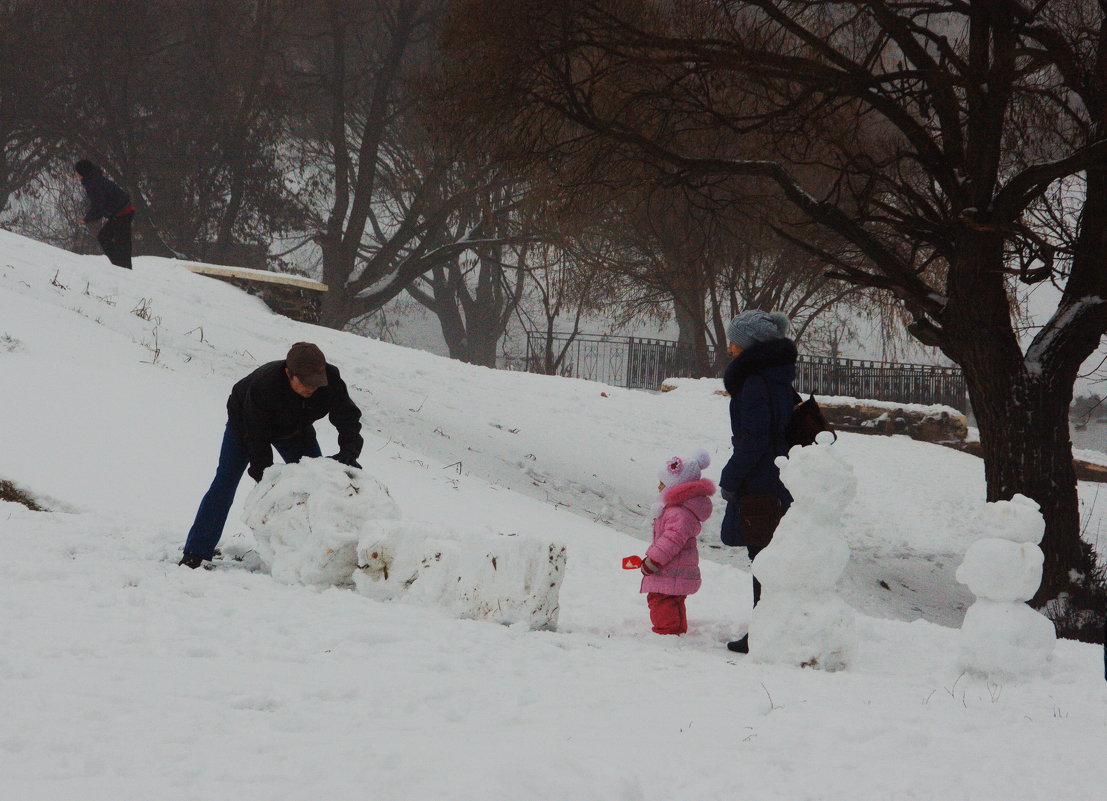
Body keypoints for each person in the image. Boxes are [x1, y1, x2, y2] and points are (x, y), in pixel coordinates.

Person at [179, 342, 364, 569]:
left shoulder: (331, 380)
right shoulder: (265, 386)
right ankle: (195, 552)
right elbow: (256, 440)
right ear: (289, 373)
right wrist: (264, 477)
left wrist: (349, 451)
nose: (312, 388)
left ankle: (320, 557)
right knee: (225, 482)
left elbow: (348, 418)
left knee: (317, 485)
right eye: (305, 383)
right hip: (246, 426)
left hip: (296, 430)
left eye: (316, 383)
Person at [718, 310, 797, 653]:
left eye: (735, 341)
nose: (730, 347)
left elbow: (753, 440)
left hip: (761, 483)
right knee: (772, 558)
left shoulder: (753, 383)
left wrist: (730, 479)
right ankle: (777, 629)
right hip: (779, 480)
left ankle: (765, 635)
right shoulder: (778, 379)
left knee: (763, 560)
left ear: (749, 345)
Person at [637, 449, 715, 635]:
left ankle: (667, 634)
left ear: (677, 486)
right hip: (675, 567)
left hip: (670, 567)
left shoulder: (678, 512)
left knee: (660, 600)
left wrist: (654, 560)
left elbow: (672, 539)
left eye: (663, 484)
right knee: (672, 600)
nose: (659, 488)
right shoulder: (677, 509)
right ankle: (676, 631)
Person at [75, 159, 135, 269]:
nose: (76, 175)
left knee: (119, 244)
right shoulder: (95, 180)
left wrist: (86, 219)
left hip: (122, 212)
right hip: (122, 212)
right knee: (107, 238)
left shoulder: (94, 184)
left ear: (82, 173)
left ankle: (122, 270)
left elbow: (98, 207)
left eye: (77, 172)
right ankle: (121, 267)